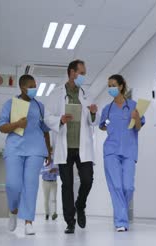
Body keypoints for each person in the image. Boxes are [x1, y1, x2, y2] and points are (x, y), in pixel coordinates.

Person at [44, 59, 99, 234]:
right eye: (81, 72)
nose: (83, 76)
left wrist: (93, 113)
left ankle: (80, 205)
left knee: (88, 180)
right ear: (71, 72)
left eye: (84, 73)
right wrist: (59, 120)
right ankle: (70, 221)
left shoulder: (87, 95)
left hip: (83, 147)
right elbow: (47, 117)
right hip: (64, 146)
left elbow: (93, 122)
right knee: (66, 185)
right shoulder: (56, 94)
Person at [0, 74, 51, 235]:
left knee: (31, 185)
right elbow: (2, 127)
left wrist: (48, 150)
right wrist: (17, 124)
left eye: (35, 85)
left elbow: (45, 130)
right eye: (31, 86)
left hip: (35, 150)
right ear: (22, 88)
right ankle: (13, 210)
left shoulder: (40, 106)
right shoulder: (10, 104)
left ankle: (28, 221)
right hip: (15, 148)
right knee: (12, 185)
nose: (34, 89)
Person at [99, 74, 145, 232]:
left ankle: (120, 214)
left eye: (113, 85)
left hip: (129, 150)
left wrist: (136, 118)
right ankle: (121, 221)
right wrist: (107, 123)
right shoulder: (107, 109)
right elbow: (102, 126)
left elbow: (138, 127)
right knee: (117, 186)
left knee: (128, 187)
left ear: (120, 86)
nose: (110, 88)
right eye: (109, 85)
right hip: (111, 150)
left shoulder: (133, 105)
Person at [41, 151, 59, 221]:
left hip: (54, 182)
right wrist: (48, 171)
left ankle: (54, 213)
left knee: (54, 199)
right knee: (46, 199)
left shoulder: (55, 162)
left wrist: (56, 171)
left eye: (52, 152)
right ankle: (47, 213)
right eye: (50, 152)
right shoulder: (44, 161)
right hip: (45, 182)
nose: (51, 154)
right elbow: (41, 171)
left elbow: (59, 173)